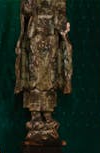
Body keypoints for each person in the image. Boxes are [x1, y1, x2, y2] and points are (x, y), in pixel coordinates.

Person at [14, 0, 72, 144]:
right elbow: (26, 11)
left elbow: (61, 14)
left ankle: (47, 114)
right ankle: (35, 116)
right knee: (35, 79)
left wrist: (62, 28)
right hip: (36, 40)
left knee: (50, 79)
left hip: (52, 40)